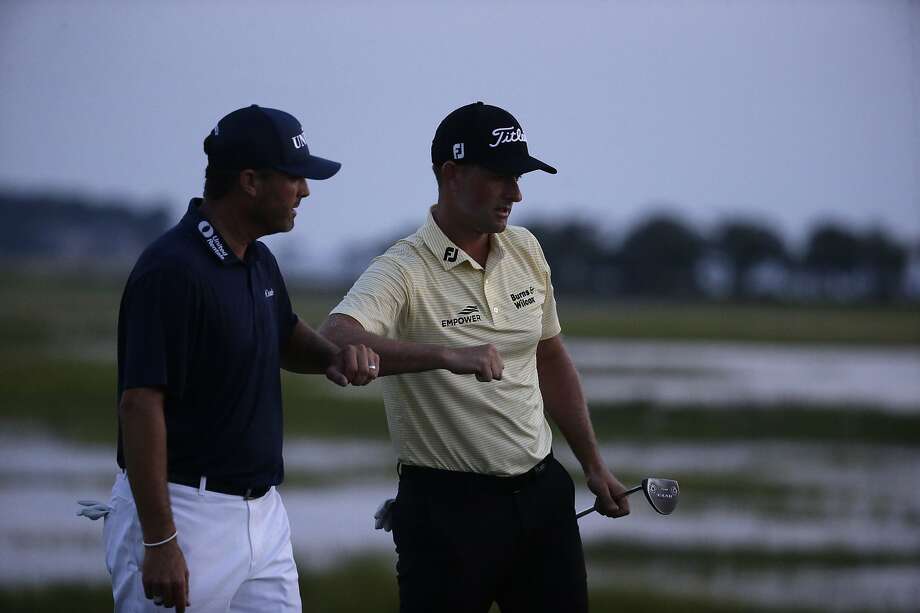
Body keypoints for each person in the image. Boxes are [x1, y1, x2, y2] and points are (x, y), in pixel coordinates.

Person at [319, 101, 629, 613]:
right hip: (445, 510)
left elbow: (550, 357)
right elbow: (335, 335)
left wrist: (593, 465)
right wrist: (445, 354)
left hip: (543, 494)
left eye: (520, 177)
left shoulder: (526, 249)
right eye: (501, 177)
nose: (516, 193)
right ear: (452, 174)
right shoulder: (402, 267)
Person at [106, 105, 380, 612]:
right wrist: (160, 540)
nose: (306, 191)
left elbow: (282, 334)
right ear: (250, 181)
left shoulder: (256, 258)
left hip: (263, 515)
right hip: (184, 515)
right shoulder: (172, 270)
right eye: (295, 177)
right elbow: (139, 406)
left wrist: (332, 357)